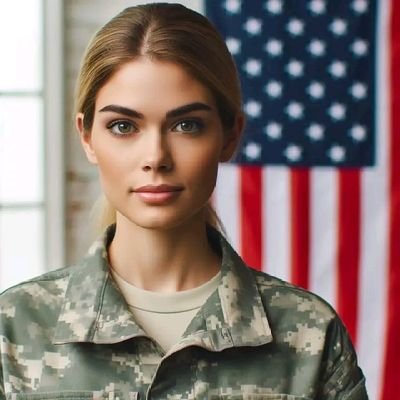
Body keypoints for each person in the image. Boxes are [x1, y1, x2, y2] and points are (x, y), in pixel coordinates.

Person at [0, 3, 368, 399]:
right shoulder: (14, 329)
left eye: (186, 125)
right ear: (87, 136)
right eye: (123, 126)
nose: (155, 157)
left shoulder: (309, 336)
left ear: (230, 135)